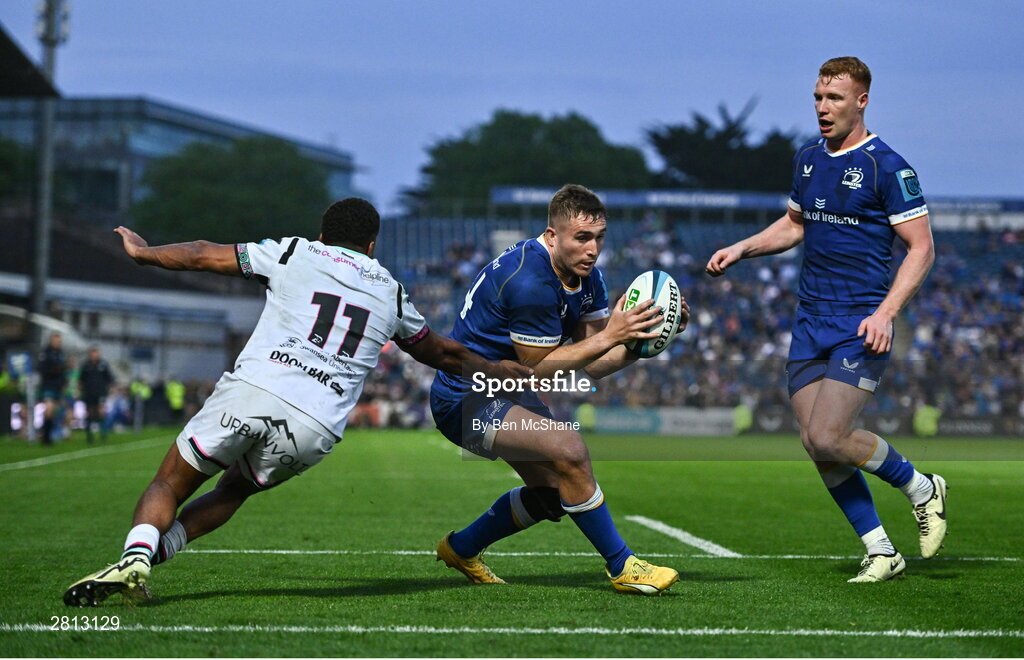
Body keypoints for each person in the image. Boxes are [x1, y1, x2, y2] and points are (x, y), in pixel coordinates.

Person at [63, 198, 531, 606]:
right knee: (233, 490)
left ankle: (136, 558)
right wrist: (494, 370)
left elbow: (205, 255)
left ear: (322, 235)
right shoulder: (390, 290)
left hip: (255, 390)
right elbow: (441, 351)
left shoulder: (295, 251)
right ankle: (145, 563)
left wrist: (144, 253)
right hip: (315, 426)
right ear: (372, 246)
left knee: (170, 481)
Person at [706, 57, 947, 582]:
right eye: (817, 97)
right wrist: (742, 247)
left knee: (832, 435)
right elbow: (795, 225)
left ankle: (921, 487)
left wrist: (887, 312)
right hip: (809, 321)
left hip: (860, 322)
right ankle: (881, 549)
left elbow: (922, 248)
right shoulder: (808, 158)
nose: (822, 107)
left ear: (861, 101)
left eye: (834, 98)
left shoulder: (889, 166)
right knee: (815, 441)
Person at [431, 184, 690, 595]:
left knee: (553, 494)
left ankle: (461, 548)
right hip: (466, 396)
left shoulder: (590, 279)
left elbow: (592, 366)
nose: (593, 249)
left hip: (509, 389)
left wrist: (644, 340)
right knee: (569, 449)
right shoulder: (531, 280)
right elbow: (539, 370)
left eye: (599, 238)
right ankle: (624, 566)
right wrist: (611, 336)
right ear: (552, 236)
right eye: (581, 238)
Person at [79, 347, 114, 444]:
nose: (94, 356)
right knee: (90, 413)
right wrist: (81, 390)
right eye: (92, 354)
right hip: (89, 393)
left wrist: (109, 389)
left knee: (101, 412)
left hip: (100, 392)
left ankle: (103, 434)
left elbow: (110, 378)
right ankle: (89, 436)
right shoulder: (86, 366)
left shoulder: (103, 365)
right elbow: (81, 380)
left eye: (96, 353)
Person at [38, 332, 67, 445]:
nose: (57, 343)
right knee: (48, 408)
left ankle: (47, 435)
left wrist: (63, 383)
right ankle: (45, 436)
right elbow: (41, 368)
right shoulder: (45, 353)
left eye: (59, 341)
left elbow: (63, 371)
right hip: (48, 385)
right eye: (55, 340)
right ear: (51, 341)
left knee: (53, 411)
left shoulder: (61, 353)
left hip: (58, 386)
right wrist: (52, 370)